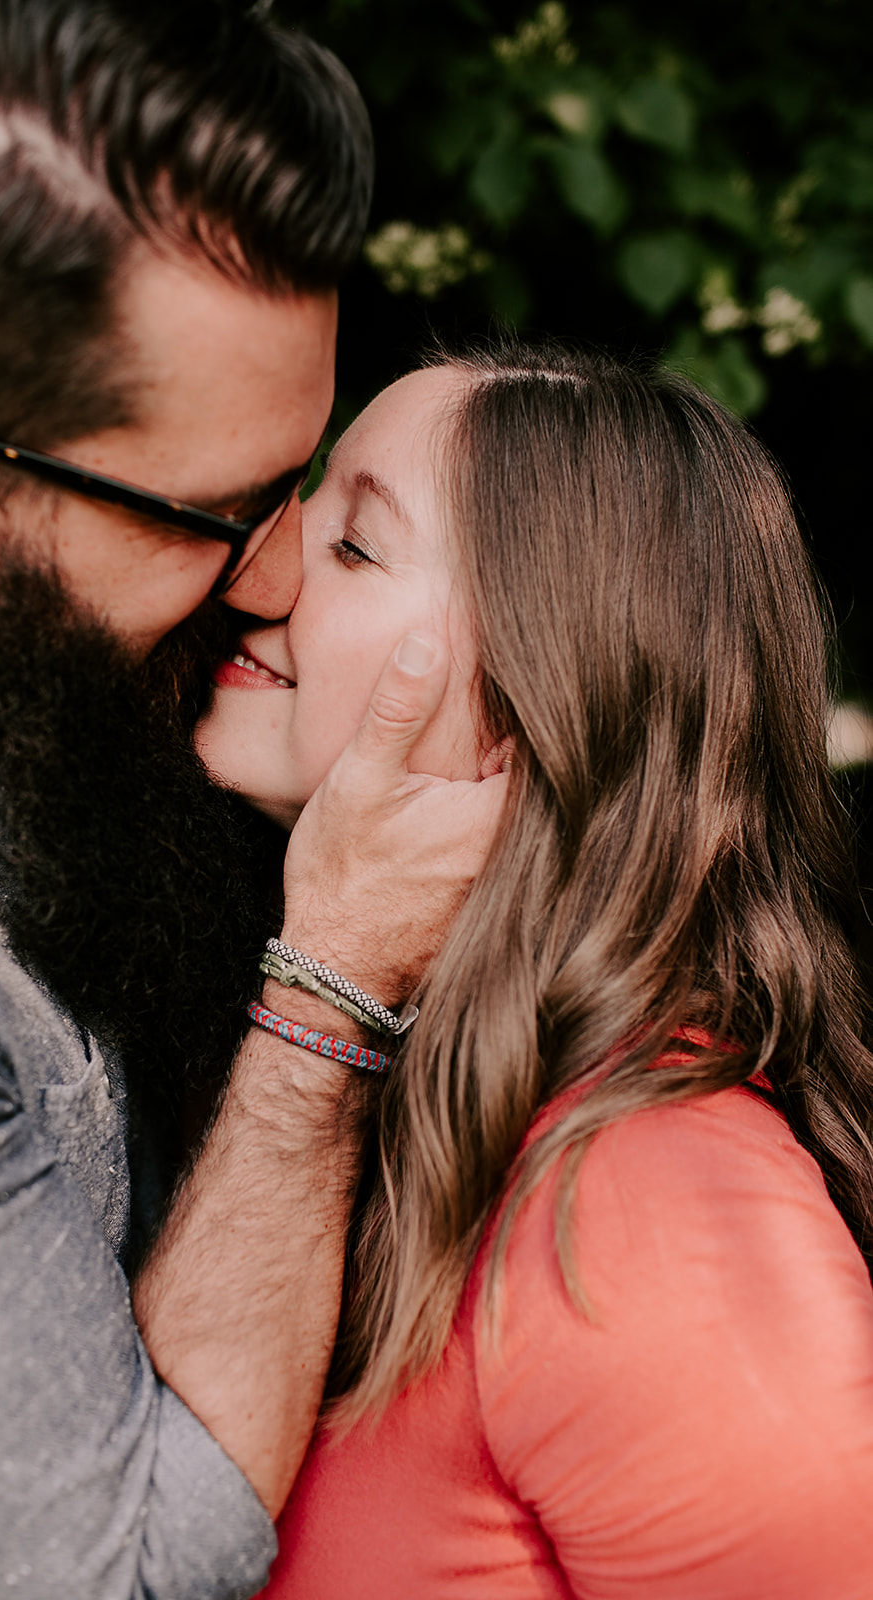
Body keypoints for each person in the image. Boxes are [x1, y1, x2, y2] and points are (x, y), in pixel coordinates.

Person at [0, 5, 508, 1598]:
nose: (270, 574)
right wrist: (330, 988)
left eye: (308, 488)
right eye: (221, 512)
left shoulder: (38, 726)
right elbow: (115, 1573)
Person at [196, 337, 873, 1598]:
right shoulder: (416, 1091)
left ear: (537, 695)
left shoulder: (648, 1204)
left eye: (351, 545)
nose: (259, 563)